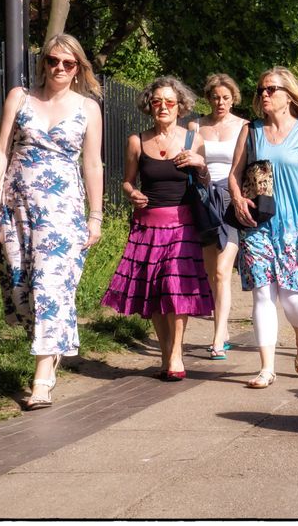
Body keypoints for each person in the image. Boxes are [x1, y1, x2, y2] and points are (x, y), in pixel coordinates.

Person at [0, 33, 103, 410]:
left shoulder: (87, 107)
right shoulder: (21, 97)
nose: (60, 69)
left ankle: (42, 378)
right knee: (21, 289)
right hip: (16, 206)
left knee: (51, 285)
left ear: (78, 67)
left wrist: (95, 216)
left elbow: (93, 164)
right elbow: (1, 149)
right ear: (42, 62)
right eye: (53, 61)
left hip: (62, 211)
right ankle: (53, 345)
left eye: (68, 63)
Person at [101, 76, 214, 381]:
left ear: (181, 106)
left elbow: (206, 184)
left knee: (176, 289)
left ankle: (176, 352)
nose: (163, 107)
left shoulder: (193, 140)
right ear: (149, 106)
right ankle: (165, 353)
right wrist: (131, 193)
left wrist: (200, 165)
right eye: (157, 101)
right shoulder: (137, 140)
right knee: (155, 291)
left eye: (169, 102)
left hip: (183, 225)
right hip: (147, 226)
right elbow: (127, 180)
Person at [230, 67, 298, 386]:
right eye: (261, 90)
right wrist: (238, 200)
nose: (264, 94)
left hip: (295, 226)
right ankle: (266, 367)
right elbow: (234, 173)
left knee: (293, 299)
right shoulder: (251, 131)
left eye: (271, 89)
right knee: (262, 296)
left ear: (288, 96)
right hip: (257, 224)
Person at [192, 74, 249, 360]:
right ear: (208, 98)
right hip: (203, 199)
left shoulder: (243, 127)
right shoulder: (196, 126)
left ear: (233, 98)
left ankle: (217, 339)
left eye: (226, 98)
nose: (220, 103)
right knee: (209, 272)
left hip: (229, 198)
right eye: (215, 97)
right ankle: (222, 327)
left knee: (222, 271)